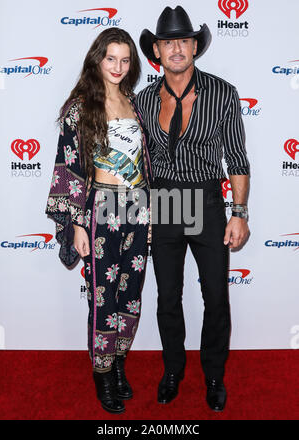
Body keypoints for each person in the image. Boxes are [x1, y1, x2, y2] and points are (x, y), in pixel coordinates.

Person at [136, 6, 250, 411]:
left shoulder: (223, 93)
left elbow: (237, 158)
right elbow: (138, 162)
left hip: (205, 199)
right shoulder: (144, 99)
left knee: (216, 296)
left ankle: (214, 374)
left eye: (183, 40)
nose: (177, 49)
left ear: (195, 46)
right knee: (168, 296)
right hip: (164, 201)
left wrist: (240, 212)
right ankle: (173, 370)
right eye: (168, 42)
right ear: (157, 51)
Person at [45, 28, 151, 414]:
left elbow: (145, 165)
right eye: (111, 59)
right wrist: (76, 224)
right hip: (100, 211)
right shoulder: (79, 107)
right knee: (103, 297)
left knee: (131, 294)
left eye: (125, 60)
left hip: (137, 208)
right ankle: (102, 374)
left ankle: (120, 364)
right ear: (97, 59)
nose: (118, 67)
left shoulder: (134, 102)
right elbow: (69, 166)